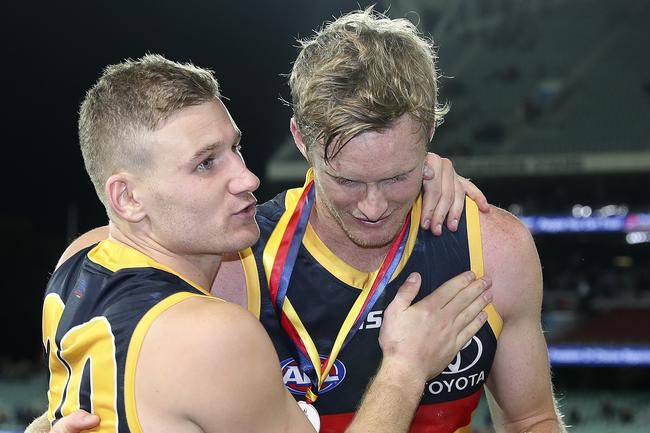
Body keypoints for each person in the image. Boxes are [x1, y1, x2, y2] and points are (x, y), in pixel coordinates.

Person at [31, 53, 493, 433]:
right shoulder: (213, 334)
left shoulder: (77, 266)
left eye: (234, 148)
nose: (247, 177)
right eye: (207, 164)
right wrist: (406, 366)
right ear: (127, 197)